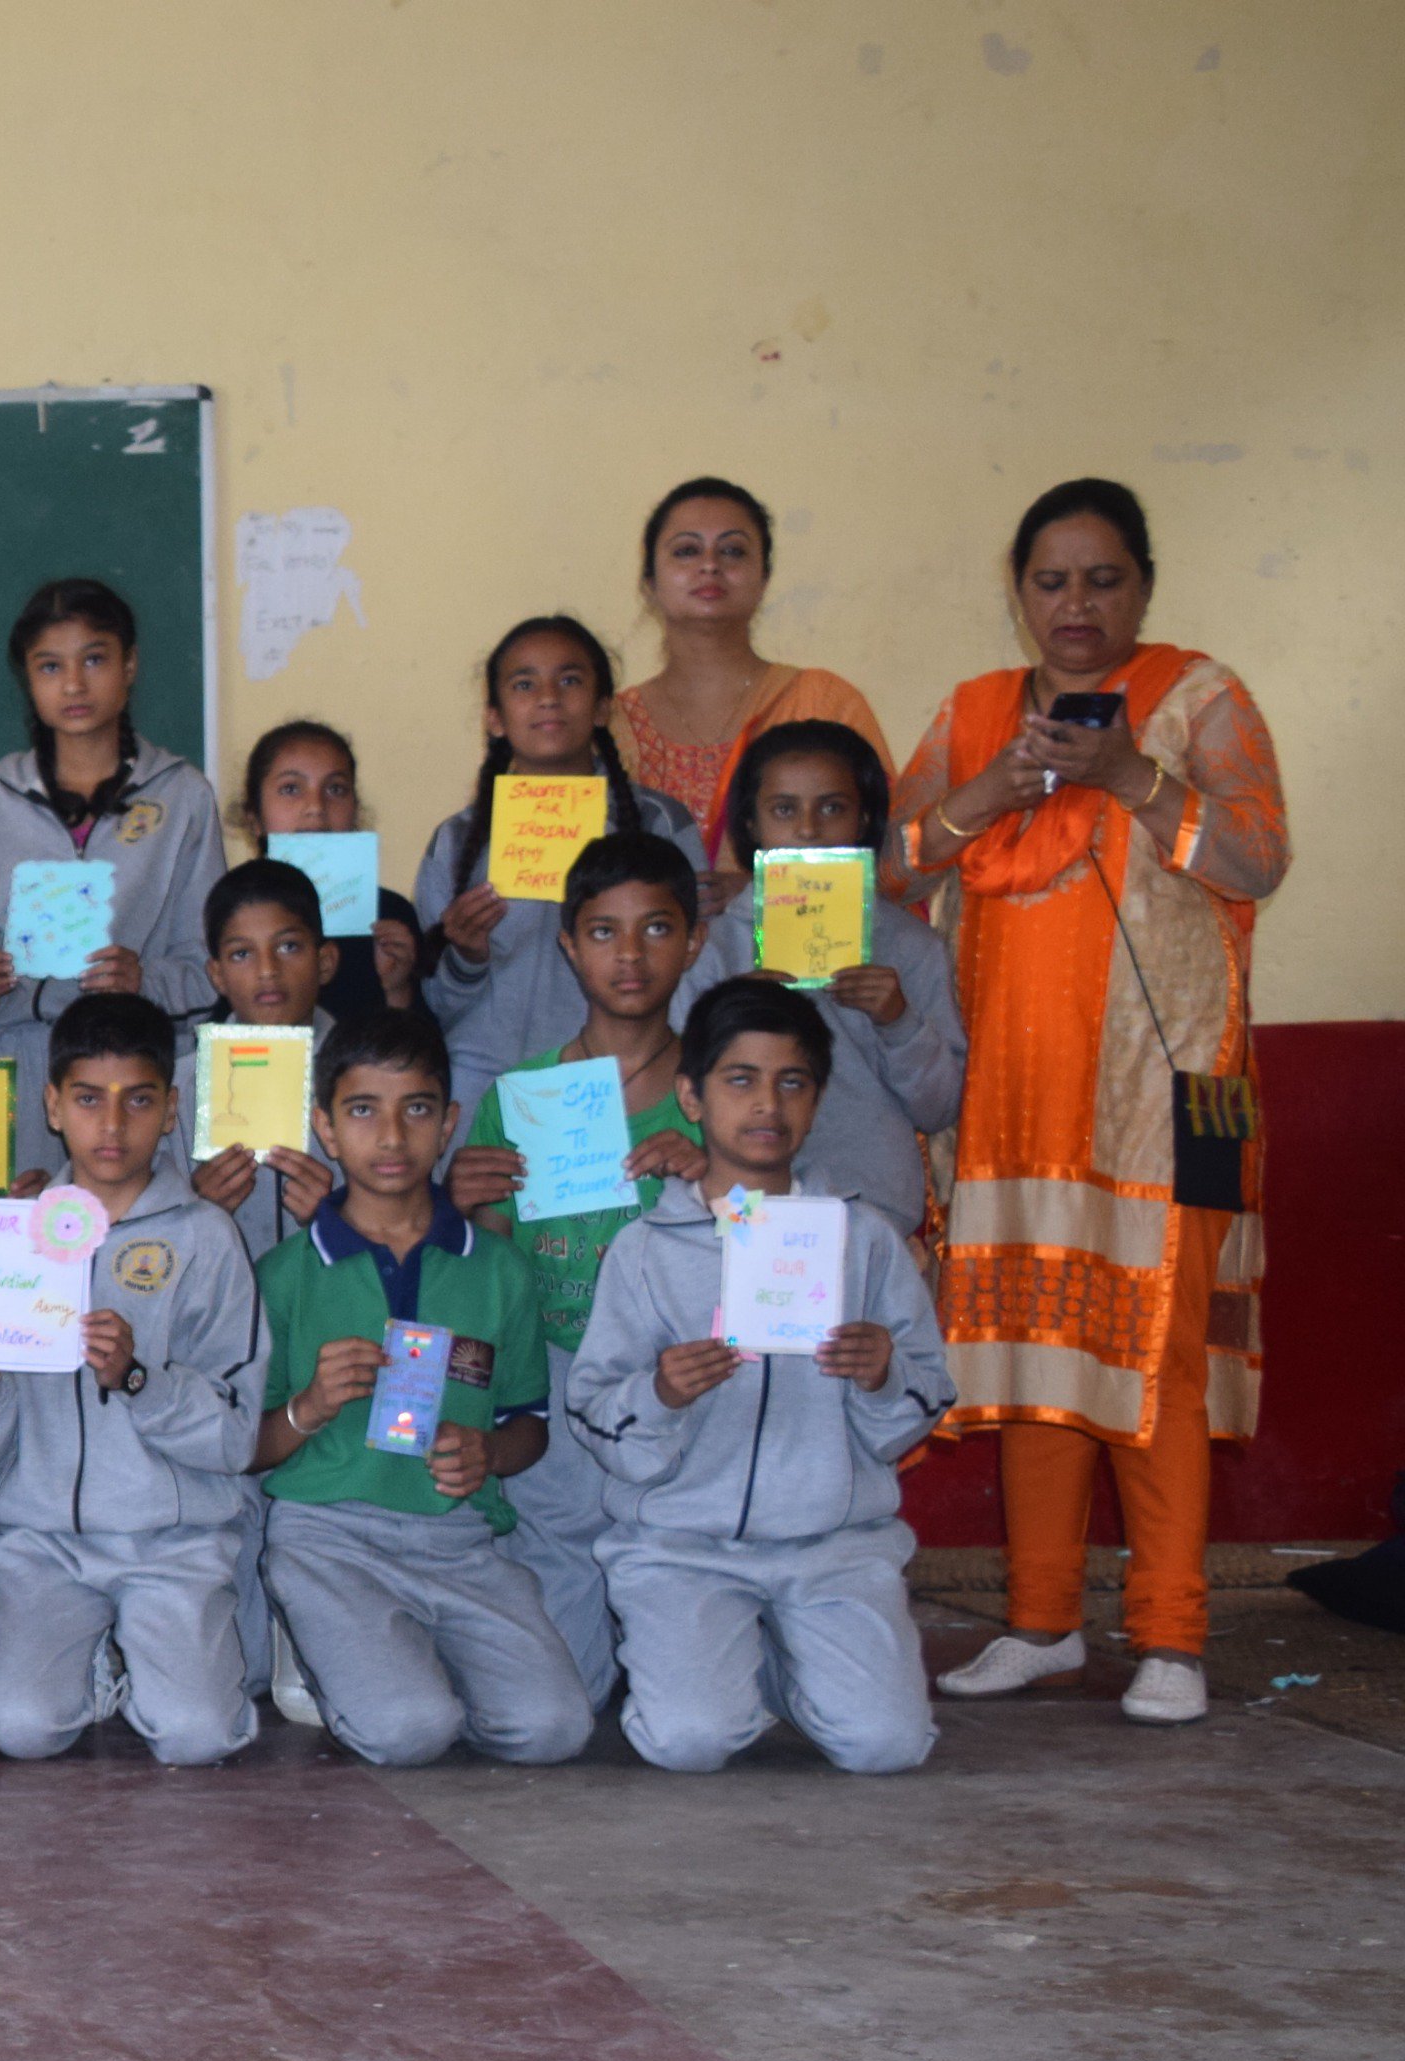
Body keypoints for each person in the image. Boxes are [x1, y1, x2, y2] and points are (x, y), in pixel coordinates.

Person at [900, 478, 1291, 1728]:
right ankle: (1040, 1623)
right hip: (1009, 1108)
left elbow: (1257, 858)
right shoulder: (973, 712)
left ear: (1144, 586)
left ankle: (1171, 1634)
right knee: (1031, 1351)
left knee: (1156, 1352)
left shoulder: (1199, 699)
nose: (1075, 604)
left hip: (1176, 1099)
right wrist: (986, 793)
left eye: (1103, 578)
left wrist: (1132, 775)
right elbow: (880, 868)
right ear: (1018, 592)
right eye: (1050, 580)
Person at [568, 980, 952, 1773]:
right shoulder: (645, 1250)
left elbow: (926, 1396)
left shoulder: (862, 1239)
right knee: (688, 1741)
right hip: (681, 1547)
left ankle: (789, 1664)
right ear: (692, 1097)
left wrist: (882, 1376)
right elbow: (595, 1407)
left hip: (833, 1547)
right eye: (740, 1079)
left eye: (792, 1082)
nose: (768, 1104)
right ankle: (733, 1657)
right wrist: (660, 1393)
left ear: (817, 1099)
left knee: (886, 1746)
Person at [248, 1005, 589, 1768]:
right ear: (325, 1127)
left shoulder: (497, 1269)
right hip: (327, 1535)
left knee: (554, 1728)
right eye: (363, 1110)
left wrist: (487, 1453)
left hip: (457, 1538)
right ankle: (329, 1646)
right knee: (409, 1732)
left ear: (449, 1124)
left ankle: (400, 1662)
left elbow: (529, 1423)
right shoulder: (284, 1274)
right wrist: (310, 1406)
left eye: (418, 1109)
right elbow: (246, 1446)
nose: (392, 1136)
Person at [0, 992, 265, 1763]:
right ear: (53, 1106)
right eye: (89, 1099)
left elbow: (236, 1436)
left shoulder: (208, 1238)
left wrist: (139, 1378)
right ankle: (87, 1666)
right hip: (41, 1544)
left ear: (171, 1109)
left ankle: (158, 1660)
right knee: (21, 1729)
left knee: (197, 1736)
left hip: (173, 1543)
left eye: (139, 1100)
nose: (113, 1125)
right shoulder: (13, 1237)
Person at [449, 831, 709, 1706]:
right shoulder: (520, 1096)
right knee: (562, 1693)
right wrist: (464, 1204)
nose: (629, 954)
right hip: (555, 1374)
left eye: (656, 929)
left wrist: (713, 1181)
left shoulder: (719, 1098)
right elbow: (485, 1270)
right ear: (569, 946)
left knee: (693, 1681)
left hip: (678, 1383)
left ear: (695, 942)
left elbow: (767, 1252)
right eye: (603, 931)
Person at [0, 578, 222, 1075]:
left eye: (94, 659)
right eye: (50, 666)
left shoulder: (183, 797)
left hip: (141, 1067)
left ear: (130, 665)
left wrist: (145, 981)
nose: (73, 685)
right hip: (18, 1069)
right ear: (28, 679)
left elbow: (212, 967)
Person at [681, 717, 963, 1236]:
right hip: (740, 1214)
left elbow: (939, 1109)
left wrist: (898, 1022)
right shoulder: (713, 948)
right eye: (784, 810)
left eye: (832, 808)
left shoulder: (910, 947)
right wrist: (732, 1014)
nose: (808, 829)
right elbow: (680, 1092)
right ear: (751, 824)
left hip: (869, 1214)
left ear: (864, 819)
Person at [417, 616, 705, 1097]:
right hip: (485, 1082)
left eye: (570, 680)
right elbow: (434, 1005)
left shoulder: (660, 823)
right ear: (495, 718)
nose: (548, 697)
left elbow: (693, 969)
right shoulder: (457, 840)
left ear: (602, 708)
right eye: (524, 684)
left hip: (620, 1079)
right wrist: (467, 956)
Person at [608, 477, 891, 849]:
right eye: (687, 551)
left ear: (764, 578)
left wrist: (758, 881)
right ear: (650, 580)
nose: (710, 565)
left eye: (733, 551)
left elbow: (885, 847)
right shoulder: (610, 723)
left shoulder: (823, 701)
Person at [182, 859, 345, 1268]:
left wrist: (340, 1219)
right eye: (242, 954)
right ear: (217, 975)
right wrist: (194, 1208)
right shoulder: (182, 1086)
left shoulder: (367, 1077)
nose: (268, 970)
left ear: (325, 961)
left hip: (334, 1296)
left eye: (288, 947)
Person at [234, 720, 422, 1024]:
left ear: (355, 809)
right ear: (255, 818)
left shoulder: (389, 915)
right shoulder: (235, 913)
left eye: (335, 789)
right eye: (291, 789)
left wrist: (396, 987)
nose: (316, 806)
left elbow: (416, 1044)